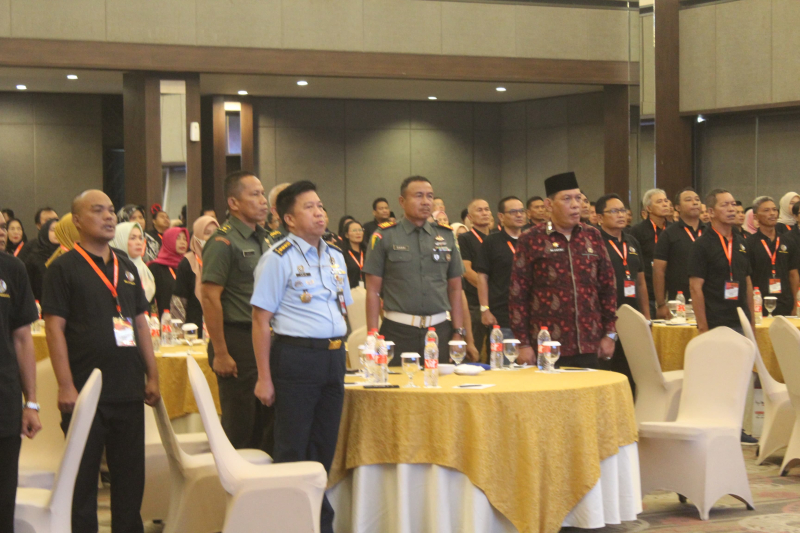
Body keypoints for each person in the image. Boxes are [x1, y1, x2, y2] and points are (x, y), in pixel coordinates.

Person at [42, 189, 160, 533]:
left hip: (127, 386)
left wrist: (152, 375)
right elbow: (54, 329)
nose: (109, 216)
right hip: (85, 390)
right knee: (83, 482)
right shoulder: (62, 268)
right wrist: (65, 385)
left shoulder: (126, 266)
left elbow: (140, 323)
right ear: (77, 221)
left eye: (111, 210)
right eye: (98, 211)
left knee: (129, 479)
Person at [251, 181, 351, 533]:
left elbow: (342, 309)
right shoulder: (278, 258)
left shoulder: (336, 256)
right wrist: (264, 377)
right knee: (293, 448)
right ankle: (288, 524)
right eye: (309, 207)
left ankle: (314, 522)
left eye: (320, 205)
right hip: (296, 358)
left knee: (323, 447)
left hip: (333, 358)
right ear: (289, 219)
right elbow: (260, 320)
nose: (319, 213)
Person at [509, 172, 617, 369]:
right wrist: (523, 344)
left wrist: (610, 334)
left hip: (590, 343)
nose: (575, 205)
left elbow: (608, 287)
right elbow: (518, 294)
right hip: (547, 345)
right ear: (549, 205)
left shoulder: (592, 236)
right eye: (567, 199)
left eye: (578, 198)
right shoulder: (531, 238)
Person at [202, 171, 272, 451]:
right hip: (237, 339)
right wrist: (221, 352)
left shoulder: (266, 239)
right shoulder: (223, 242)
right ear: (233, 203)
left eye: (263, 193)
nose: (263, 200)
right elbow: (210, 297)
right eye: (254, 194)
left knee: (266, 425)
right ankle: (232, 478)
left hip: (265, 336)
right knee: (241, 423)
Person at [363, 176, 465, 365]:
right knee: (398, 383)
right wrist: (372, 335)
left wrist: (458, 332)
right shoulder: (384, 235)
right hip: (398, 331)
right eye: (419, 196)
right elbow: (373, 290)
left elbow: (455, 288)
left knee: (439, 383)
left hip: (440, 330)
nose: (426, 202)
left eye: (430, 196)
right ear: (402, 201)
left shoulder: (446, 235)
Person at [0, 215, 42, 533]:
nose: (1, 233)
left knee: (3, 500)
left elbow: (23, 339)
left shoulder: (12, 269)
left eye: (2, 227)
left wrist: (32, 403)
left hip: (4, 397)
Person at [596, 194, 648, 393]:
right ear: (599, 217)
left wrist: (646, 317)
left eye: (623, 210)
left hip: (631, 316)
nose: (621, 215)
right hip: (605, 317)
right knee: (606, 371)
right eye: (614, 211)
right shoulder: (596, 242)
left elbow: (640, 281)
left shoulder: (632, 241)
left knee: (630, 371)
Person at [689, 188, 753, 334]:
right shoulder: (701, 245)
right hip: (715, 322)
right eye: (725, 205)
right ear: (711, 212)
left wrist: (752, 323)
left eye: (733, 204)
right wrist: (703, 327)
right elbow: (695, 288)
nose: (731, 209)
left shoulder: (741, 242)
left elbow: (748, 283)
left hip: (742, 320)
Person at [474, 196, 526, 338]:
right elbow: (482, 277)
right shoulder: (492, 241)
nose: (519, 215)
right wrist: (485, 309)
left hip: (529, 313)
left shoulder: (530, 240)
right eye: (513, 212)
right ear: (501, 216)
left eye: (521, 211)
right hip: (501, 315)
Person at [652, 188, 703, 318]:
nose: (695, 203)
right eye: (689, 200)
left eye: (697, 200)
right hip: (679, 300)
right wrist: (661, 304)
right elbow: (659, 271)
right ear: (677, 207)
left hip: (708, 298)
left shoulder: (709, 232)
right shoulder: (669, 234)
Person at [746, 196, 799, 317]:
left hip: (785, 303)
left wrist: (796, 305)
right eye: (766, 210)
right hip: (759, 303)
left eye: (774, 209)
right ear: (755, 217)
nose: (772, 213)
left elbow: (793, 274)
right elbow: (747, 278)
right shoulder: (749, 243)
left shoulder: (788, 241)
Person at [457, 198, 494, 358]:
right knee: (475, 351)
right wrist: (489, 289)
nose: (484, 213)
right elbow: (466, 270)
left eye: (487, 209)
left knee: (496, 351)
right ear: (470, 217)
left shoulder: (496, 237)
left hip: (496, 304)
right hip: (474, 303)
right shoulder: (465, 238)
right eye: (479, 210)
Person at [171, 216, 219, 333]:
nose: (212, 237)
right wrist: (178, 331)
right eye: (207, 233)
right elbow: (179, 301)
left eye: (215, 233)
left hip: (220, 328)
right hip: (192, 330)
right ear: (197, 236)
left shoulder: (222, 260)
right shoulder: (187, 263)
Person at [630, 188, 671, 317]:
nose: (665, 204)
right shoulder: (637, 231)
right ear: (648, 208)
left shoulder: (674, 229)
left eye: (666, 201)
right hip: (648, 292)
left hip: (671, 294)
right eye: (659, 202)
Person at [111, 222, 156, 304]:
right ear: (120, 240)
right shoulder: (114, 269)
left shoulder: (145, 269)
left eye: (140, 238)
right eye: (133, 238)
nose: (139, 242)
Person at [148, 227, 189, 315]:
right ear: (169, 240)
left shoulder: (187, 267)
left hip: (186, 319)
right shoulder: (156, 267)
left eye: (185, 239)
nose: (182, 242)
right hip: (163, 319)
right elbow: (150, 298)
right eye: (178, 238)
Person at [23, 218, 59, 300]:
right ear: (45, 232)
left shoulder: (67, 256)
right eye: (53, 230)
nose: (57, 233)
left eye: (60, 230)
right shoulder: (34, 257)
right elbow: (27, 285)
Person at [341, 219, 366, 289]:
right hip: (350, 291)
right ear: (346, 235)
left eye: (360, 230)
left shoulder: (368, 252)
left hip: (368, 291)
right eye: (354, 230)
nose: (358, 233)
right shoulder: (342, 253)